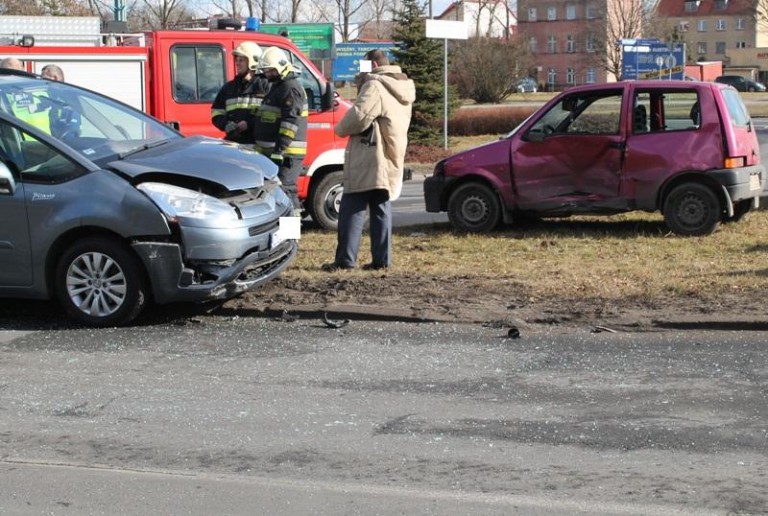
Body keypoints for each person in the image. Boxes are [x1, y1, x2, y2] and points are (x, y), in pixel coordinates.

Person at [322, 49, 415, 271]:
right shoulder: (402, 85)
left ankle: (345, 260)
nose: (360, 71)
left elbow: (359, 117)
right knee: (380, 206)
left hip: (370, 155)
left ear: (373, 65)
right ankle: (382, 261)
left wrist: (339, 128)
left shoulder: (375, 85)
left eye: (363, 67)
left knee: (351, 206)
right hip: (390, 153)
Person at [252, 46, 307, 215]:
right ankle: (283, 236)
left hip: (287, 153)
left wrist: (280, 149)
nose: (267, 74)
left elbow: (290, 121)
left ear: (280, 67)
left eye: (269, 70)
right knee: (278, 192)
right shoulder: (278, 86)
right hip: (279, 151)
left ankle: (290, 236)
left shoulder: (290, 88)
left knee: (286, 190)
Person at [211, 41, 270, 144]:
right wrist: (226, 124)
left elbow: (272, 115)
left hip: (258, 145)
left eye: (241, 60)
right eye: (237, 60)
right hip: (235, 145)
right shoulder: (228, 88)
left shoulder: (266, 86)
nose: (237, 63)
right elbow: (216, 113)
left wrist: (250, 124)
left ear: (253, 62)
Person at [40, 64, 82, 138]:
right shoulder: (53, 97)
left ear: (54, 78)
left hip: (65, 144)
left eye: (44, 79)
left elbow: (71, 129)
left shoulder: (68, 97)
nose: (42, 83)